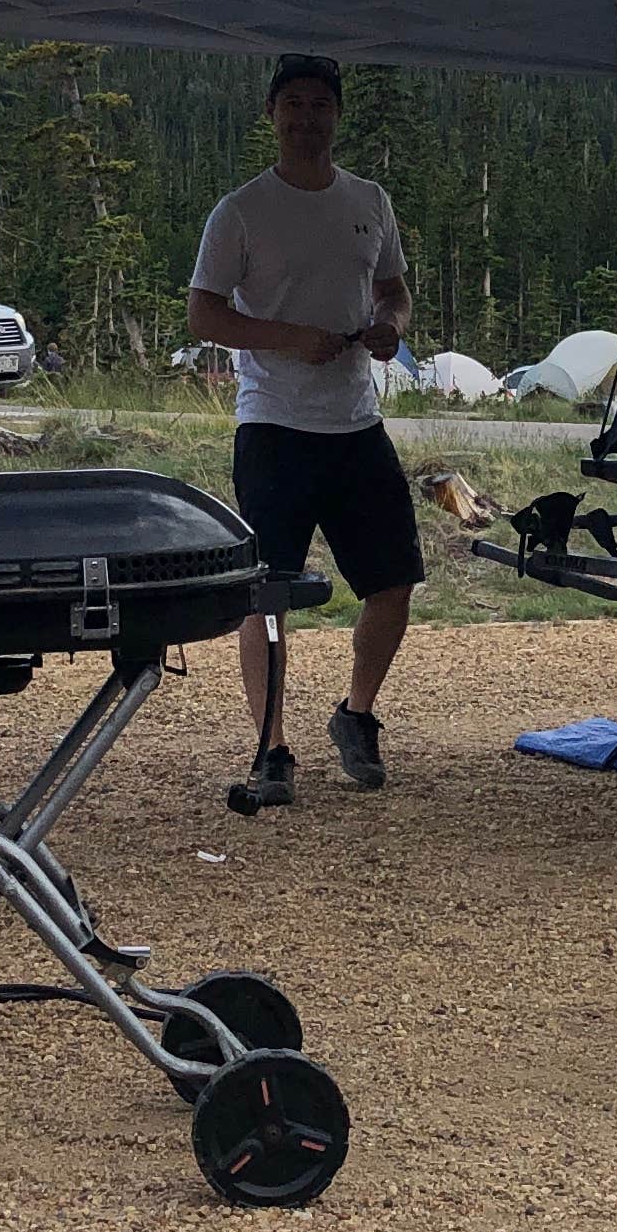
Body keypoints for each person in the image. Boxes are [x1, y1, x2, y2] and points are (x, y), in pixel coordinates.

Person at [185, 54, 420, 804]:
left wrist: (389, 326)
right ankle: (272, 745)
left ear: (337, 116)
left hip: (356, 422)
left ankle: (356, 714)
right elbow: (204, 313)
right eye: (293, 104)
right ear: (271, 114)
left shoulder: (370, 200)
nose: (307, 117)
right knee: (268, 593)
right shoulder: (242, 210)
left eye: (320, 104)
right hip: (275, 426)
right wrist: (287, 337)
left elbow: (395, 291)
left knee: (393, 586)